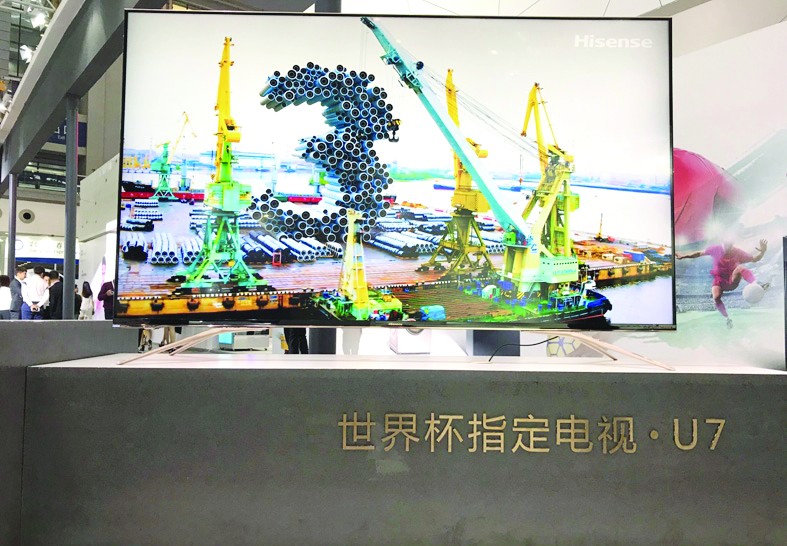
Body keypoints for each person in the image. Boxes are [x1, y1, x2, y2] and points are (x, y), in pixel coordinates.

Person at [677, 239, 768, 328]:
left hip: (732, 280)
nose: (726, 248)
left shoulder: (738, 252)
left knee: (740, 268)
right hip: (719, 280)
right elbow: (699, 253)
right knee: (716, 297)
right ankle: (727, 318)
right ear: (722, 243)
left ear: (732, 245)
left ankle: (756, 284)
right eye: (725, 245)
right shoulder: (715, 249)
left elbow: (754, 259)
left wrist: (762, 252)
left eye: (729, 245)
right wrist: (683, 256)